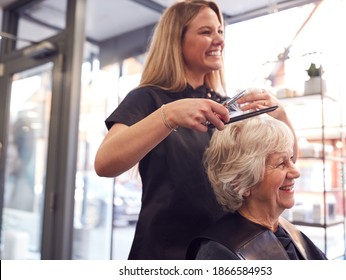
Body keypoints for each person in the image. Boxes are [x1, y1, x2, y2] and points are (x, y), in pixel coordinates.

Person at [94, 0, 297, 260]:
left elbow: (286, 164)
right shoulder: (149, 99)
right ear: (176, 40)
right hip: (166, 254)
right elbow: (104, 163)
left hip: (224, 249)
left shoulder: (224, 105)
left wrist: (280, 114)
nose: (218, 40)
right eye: (206, 32)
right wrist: (169, 116)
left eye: (220, 31)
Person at [186, 116, 327, 260]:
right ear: (241, 181)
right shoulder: (219, 253)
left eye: (291, 159)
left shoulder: (288, 232)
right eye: (281, 164)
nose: (296, 173)